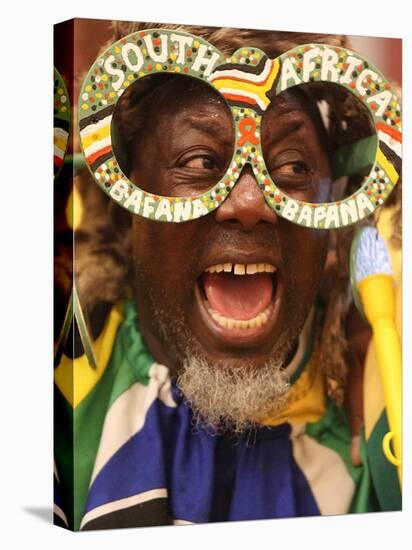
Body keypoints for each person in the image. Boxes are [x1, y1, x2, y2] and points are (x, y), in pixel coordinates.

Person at [53, 21, 402, 531]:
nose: (249, 203)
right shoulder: (56, 376)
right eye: (198, 161)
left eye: (292, 167)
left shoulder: (384, 385)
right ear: (127, 206)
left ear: (336, 216)